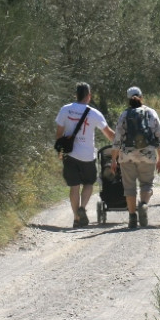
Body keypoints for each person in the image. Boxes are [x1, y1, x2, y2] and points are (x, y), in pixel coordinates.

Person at [55, 82, 114, 228]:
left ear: (76, 95)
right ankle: (82, 208)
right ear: (89, 96)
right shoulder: (94, 113)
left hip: (70, 155)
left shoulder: (65, 110)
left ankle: (76, 219)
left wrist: (60, 152)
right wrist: (122, 142)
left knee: (74, 187)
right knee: (89, 183)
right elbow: (109, 134)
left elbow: (59, 134)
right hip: (88, 155)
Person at [110, 87, 160, 229]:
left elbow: (117, 139)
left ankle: (132, 217)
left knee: (129, 187)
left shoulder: (124, 115)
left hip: (127, 155)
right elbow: (159, 137)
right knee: (147, 184)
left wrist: (114, 159)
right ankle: (144, 205)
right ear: (141, 96)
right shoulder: (151, 113)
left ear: (129, 99)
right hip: (148, 154)